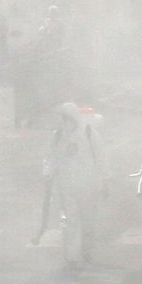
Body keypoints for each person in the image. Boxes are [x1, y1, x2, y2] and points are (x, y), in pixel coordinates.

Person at [43, 102, 107, 268]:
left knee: (87, 219)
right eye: (61, 118)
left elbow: (100, 157)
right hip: (66, 185)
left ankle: (87, 250)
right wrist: (48, 173)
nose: (62, 122)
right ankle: (71, 256)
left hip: (87, 183)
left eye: (65, 118)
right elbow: (50, 157)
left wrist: (104, 179)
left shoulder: (88, 133)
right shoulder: (57, 136)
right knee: (70, 220)